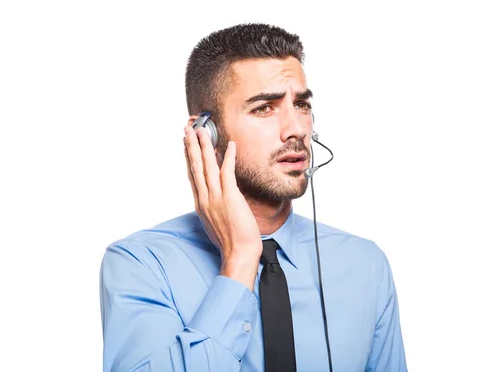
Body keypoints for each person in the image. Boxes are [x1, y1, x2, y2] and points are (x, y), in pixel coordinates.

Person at [99, 23, 407, 372]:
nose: (297, 129)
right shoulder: (141, 264)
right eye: (264, 108)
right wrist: (240, 260)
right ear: (205, 134)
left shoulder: (364, 265)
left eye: (302, 104)